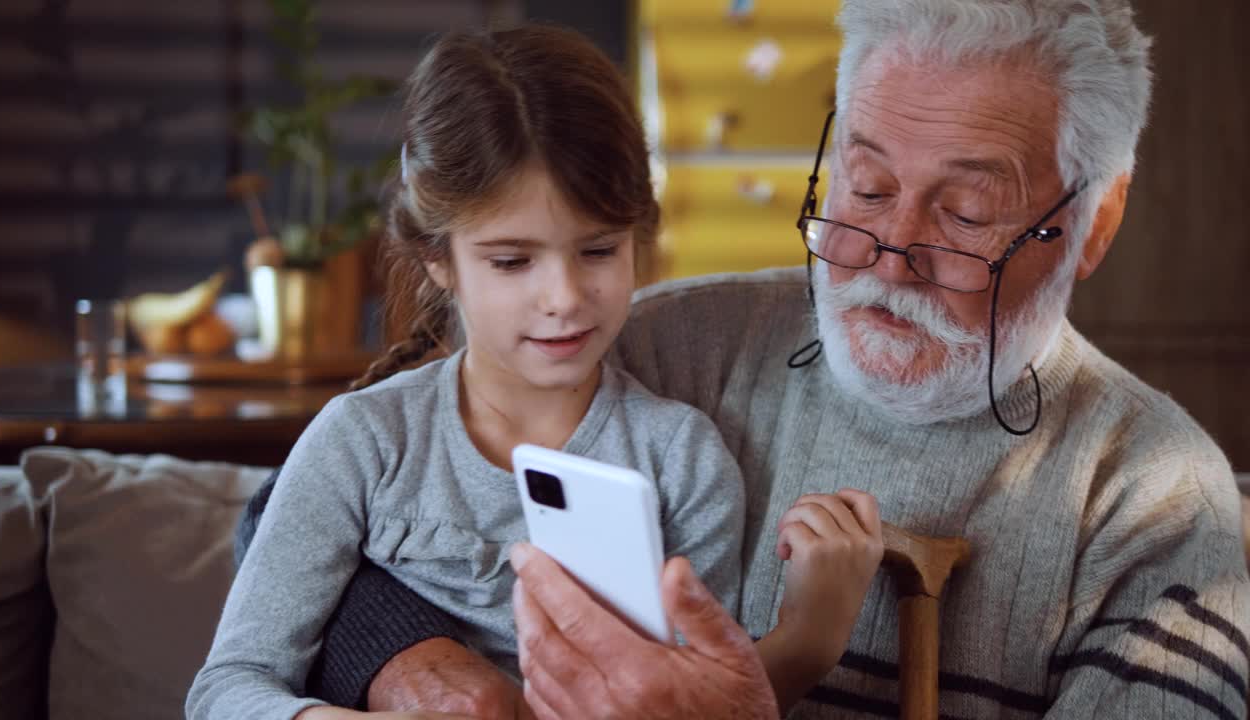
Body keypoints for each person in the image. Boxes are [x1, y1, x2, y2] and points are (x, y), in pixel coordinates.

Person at [254, 2, 1250, 719]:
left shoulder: (1158, 504)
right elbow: (301, 497)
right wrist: (411, 658)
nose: (881, 252)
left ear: (1089, 222)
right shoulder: (667, 341)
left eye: (963, 212)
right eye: (861, 185)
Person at [190, 25, 885, 720]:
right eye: (512, 261)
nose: (565, 298)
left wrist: (802, 641)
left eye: (598, 250)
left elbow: (697, 702)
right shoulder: (366, 440)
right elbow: (229, 686)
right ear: (439, 258)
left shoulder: (681, 462)